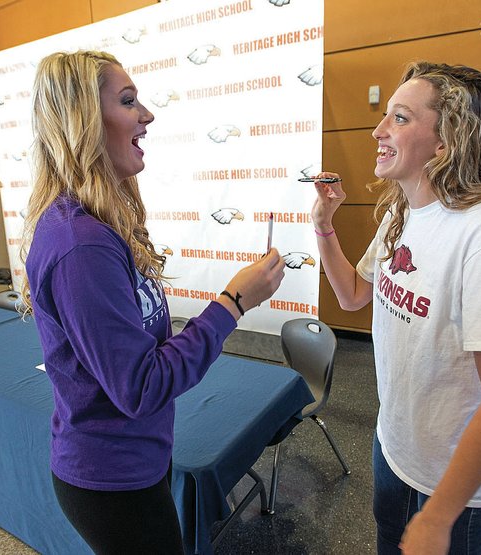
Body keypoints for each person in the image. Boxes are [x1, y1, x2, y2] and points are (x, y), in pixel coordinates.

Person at [21, 50, 285, 554]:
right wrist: (233, 302)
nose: (147, 115)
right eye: (127, 102)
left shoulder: (97, 226)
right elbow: (142, 387)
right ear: (83, 120)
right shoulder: (81, 245)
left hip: (137, 459)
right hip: (111, 480)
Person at [311, 62, 481, 555]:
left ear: (446, 141)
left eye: (399, 118)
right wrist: (324, 225)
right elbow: (353, 294)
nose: (377, 130)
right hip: (394, 445)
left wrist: (438, 517)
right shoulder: (402, 210)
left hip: (457, 487)